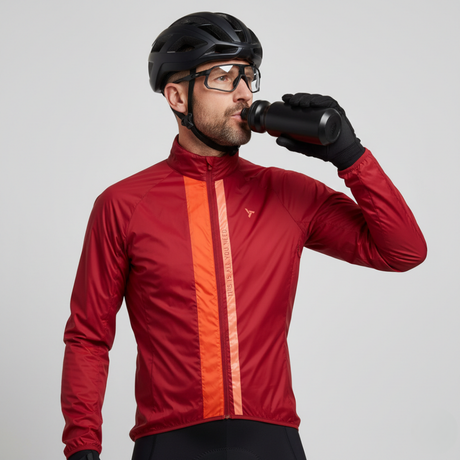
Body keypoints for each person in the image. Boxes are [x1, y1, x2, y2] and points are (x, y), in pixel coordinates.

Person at [61, 12, 427, 460]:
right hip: (169, 441)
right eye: (222, 77)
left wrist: (350, 156)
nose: (244, 94)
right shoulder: (122, 204)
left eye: (247, 76)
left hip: (271, 439)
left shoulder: (287, 193)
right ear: (177, 96)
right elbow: (89, 336)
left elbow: (403, 251)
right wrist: (82, 446)